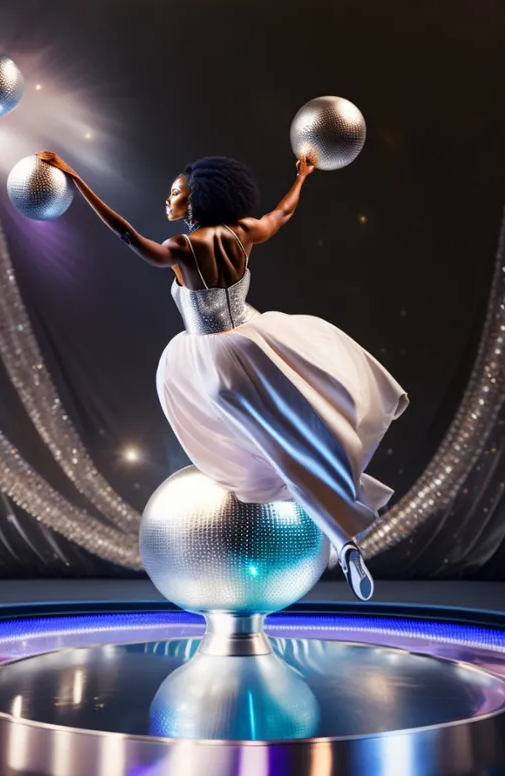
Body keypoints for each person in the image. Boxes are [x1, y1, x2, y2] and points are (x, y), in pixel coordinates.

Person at [37, 151, 409, 601]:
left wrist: (77, 181)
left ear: (198, 200)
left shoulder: (182, 248)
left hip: (212, 361)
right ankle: (343, 541)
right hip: (253, 337)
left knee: (274, 451)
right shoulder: (242, 232)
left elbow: (126, 236)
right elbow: (282, 213)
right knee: (292, 441)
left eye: (176, 193)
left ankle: (341, 538)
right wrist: (303, 176)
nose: (168, 199)